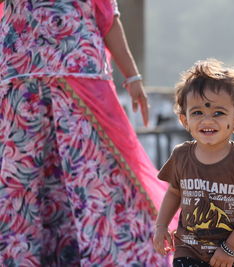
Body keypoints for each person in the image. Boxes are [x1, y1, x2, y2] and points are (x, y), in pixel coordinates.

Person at [0, 0, 173, 266]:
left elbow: (107, 16)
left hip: (80, 78)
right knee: (17, 183)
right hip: (19, 81)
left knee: (97, 177)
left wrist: (133, 78)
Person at [153, 59, 234, 267]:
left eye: (218, 113)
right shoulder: (181, 156)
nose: (207, 120)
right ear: (184, 120)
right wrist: (161, 226)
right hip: (189, 250)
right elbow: (173, 192)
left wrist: (230, 248)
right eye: (197, 112)